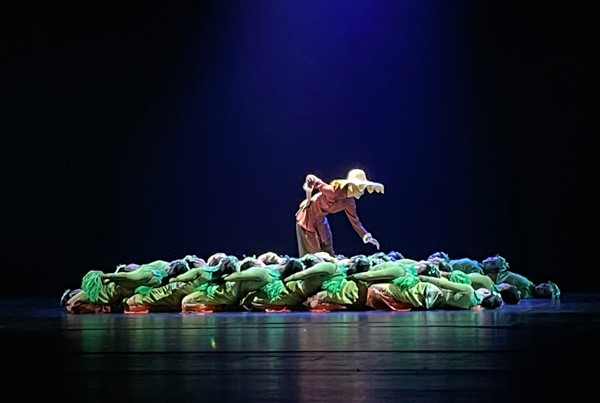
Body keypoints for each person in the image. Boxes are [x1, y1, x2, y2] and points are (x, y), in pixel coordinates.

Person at [295, 168, 384, 257]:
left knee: (327, 246)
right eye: (361, 187)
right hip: (307, 217)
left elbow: (355, 221)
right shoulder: (333, 192)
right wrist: (308, 199)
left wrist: (367, 236)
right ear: (352, 186)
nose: (362, 192)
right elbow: (311, 178)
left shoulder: (349, 202)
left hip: (320, 219)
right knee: (313, 251)